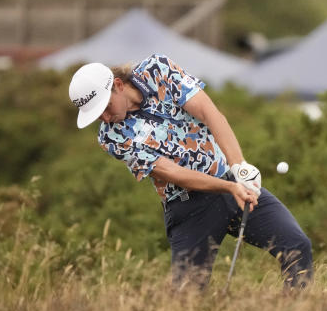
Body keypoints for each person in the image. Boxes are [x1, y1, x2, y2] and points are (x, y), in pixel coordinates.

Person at [67, 53, 313, 291]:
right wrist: (229, 187)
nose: (106, 118)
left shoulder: (158, 70)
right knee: (187, 295)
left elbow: (209, 112)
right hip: (188, 208)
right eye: (98, 116)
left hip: (230, 179)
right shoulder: (111, 137)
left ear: (118, 85)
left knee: (296, 246)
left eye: (106, 107)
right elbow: (171, 171)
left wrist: (239, 167)